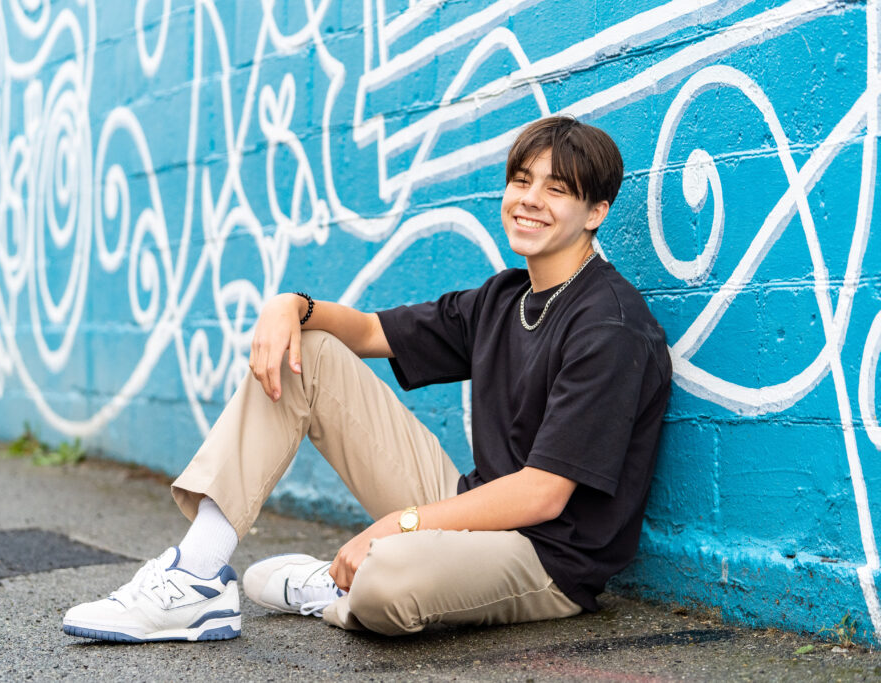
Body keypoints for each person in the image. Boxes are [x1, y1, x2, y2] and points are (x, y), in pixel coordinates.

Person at [62, 116, 672, 642]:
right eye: (521, 180)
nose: (530, 199)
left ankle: (334, 584)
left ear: (596, 212)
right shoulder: (503, 297)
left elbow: (542, 495)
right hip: (471, 509)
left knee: (388, 582)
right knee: (314, 350)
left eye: (557, 190)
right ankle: (196, 575)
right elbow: (367, 332)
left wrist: (394, 526)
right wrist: (290, 305)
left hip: (546, 560)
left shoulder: (610, 326)